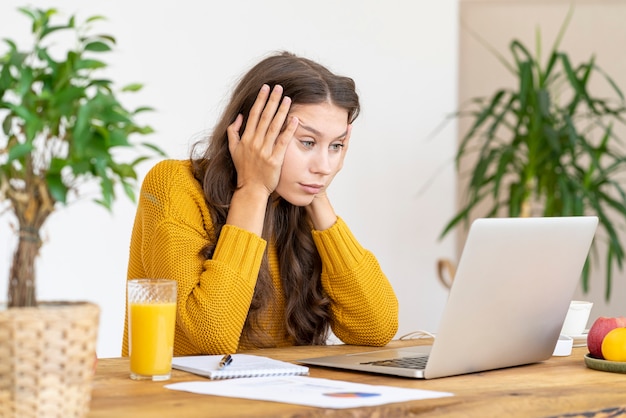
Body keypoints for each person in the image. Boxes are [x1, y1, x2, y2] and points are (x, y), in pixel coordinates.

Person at [122, 51, 399, 356]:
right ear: (252, 132)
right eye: (307, 142)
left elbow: (377, 328)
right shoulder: (174, 184)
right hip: (183, 400)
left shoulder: (299, 199)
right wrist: (252, 188)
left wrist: (318, 199)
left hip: (285, 397)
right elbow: (210, 336)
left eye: (336, 146)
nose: (324, 165)